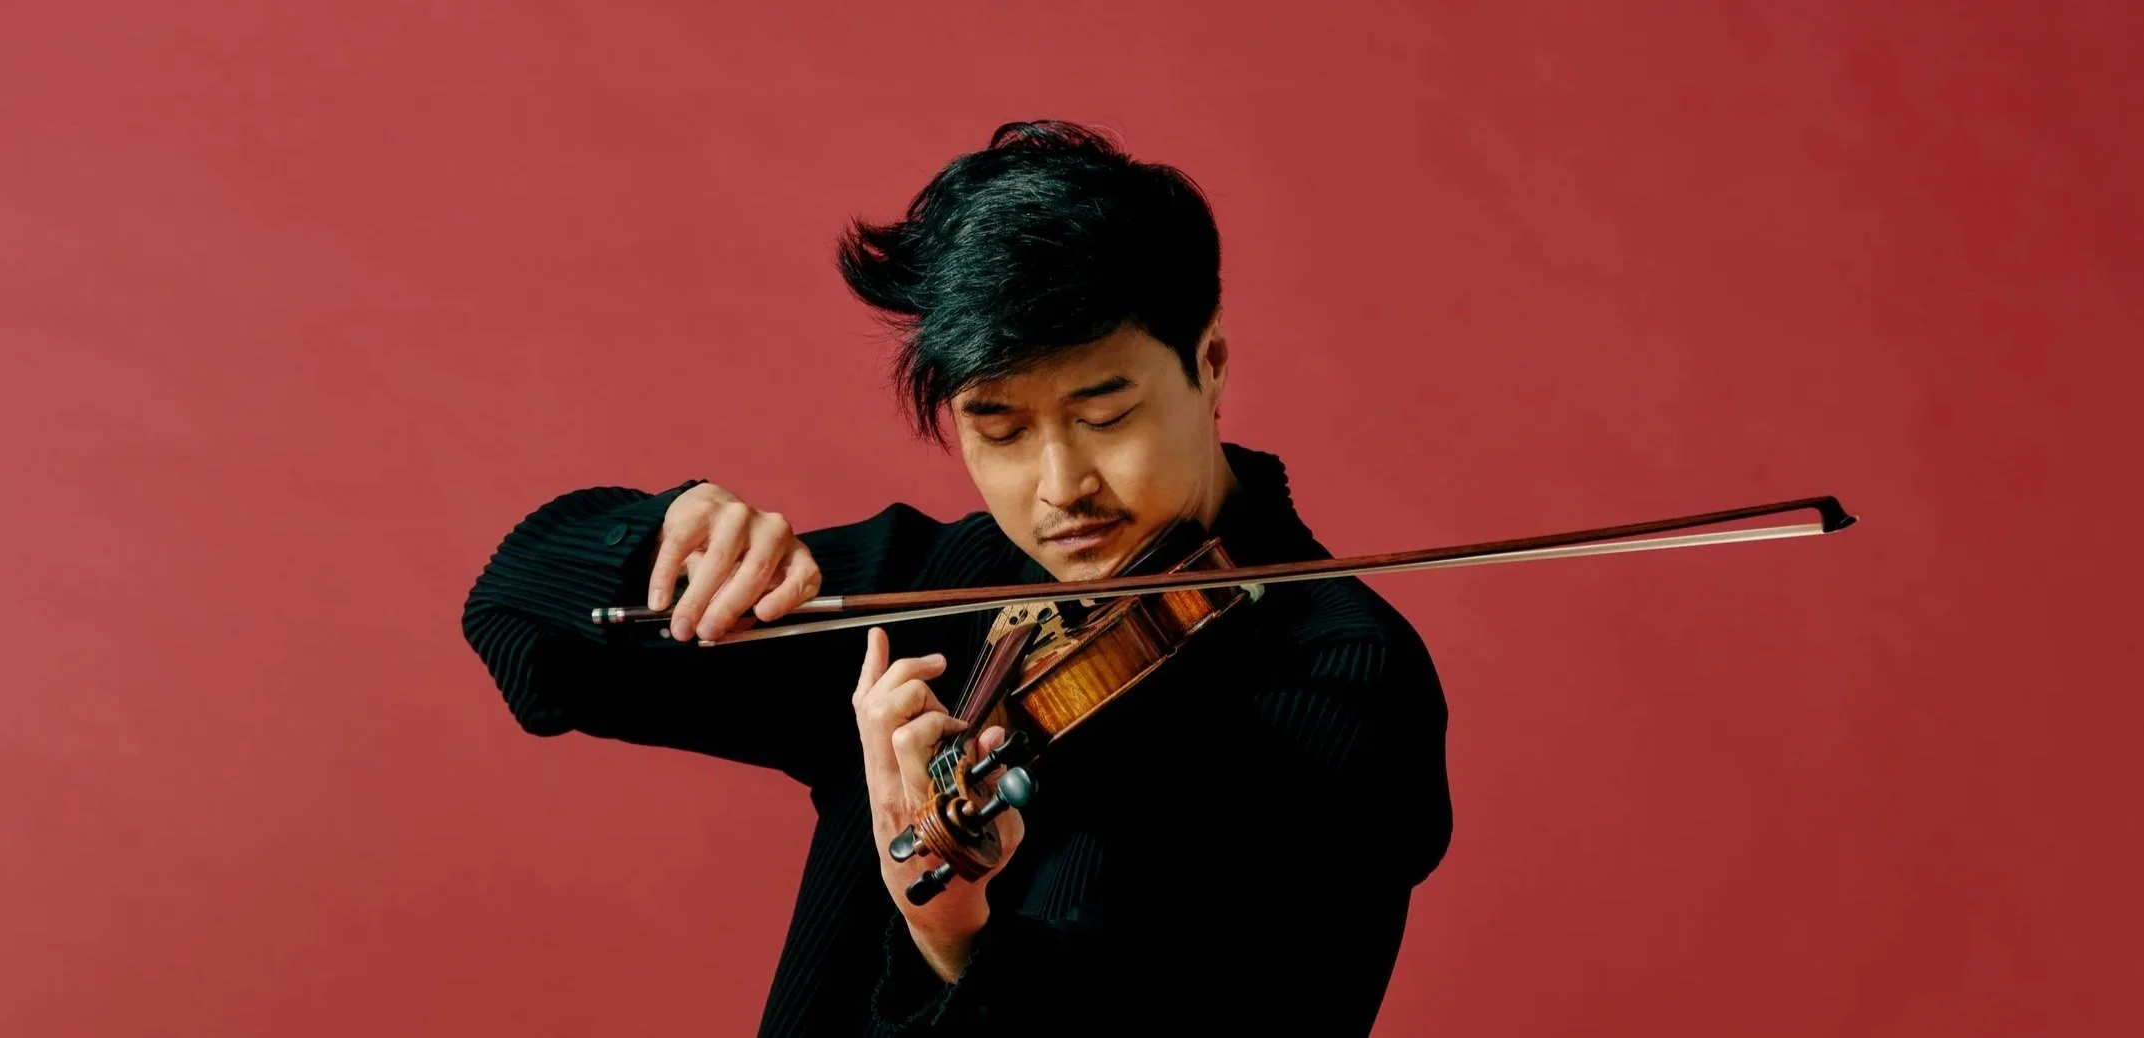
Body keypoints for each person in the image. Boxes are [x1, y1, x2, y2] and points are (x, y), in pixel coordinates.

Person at [460, 121, 1452, 1036]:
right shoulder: (948, 587)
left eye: (1105, 415)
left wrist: (951, 938)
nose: (1062, 488)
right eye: (1000, 428)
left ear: (1212, 361)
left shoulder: (1341, 681)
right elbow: (527, 628)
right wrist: (670, 535)